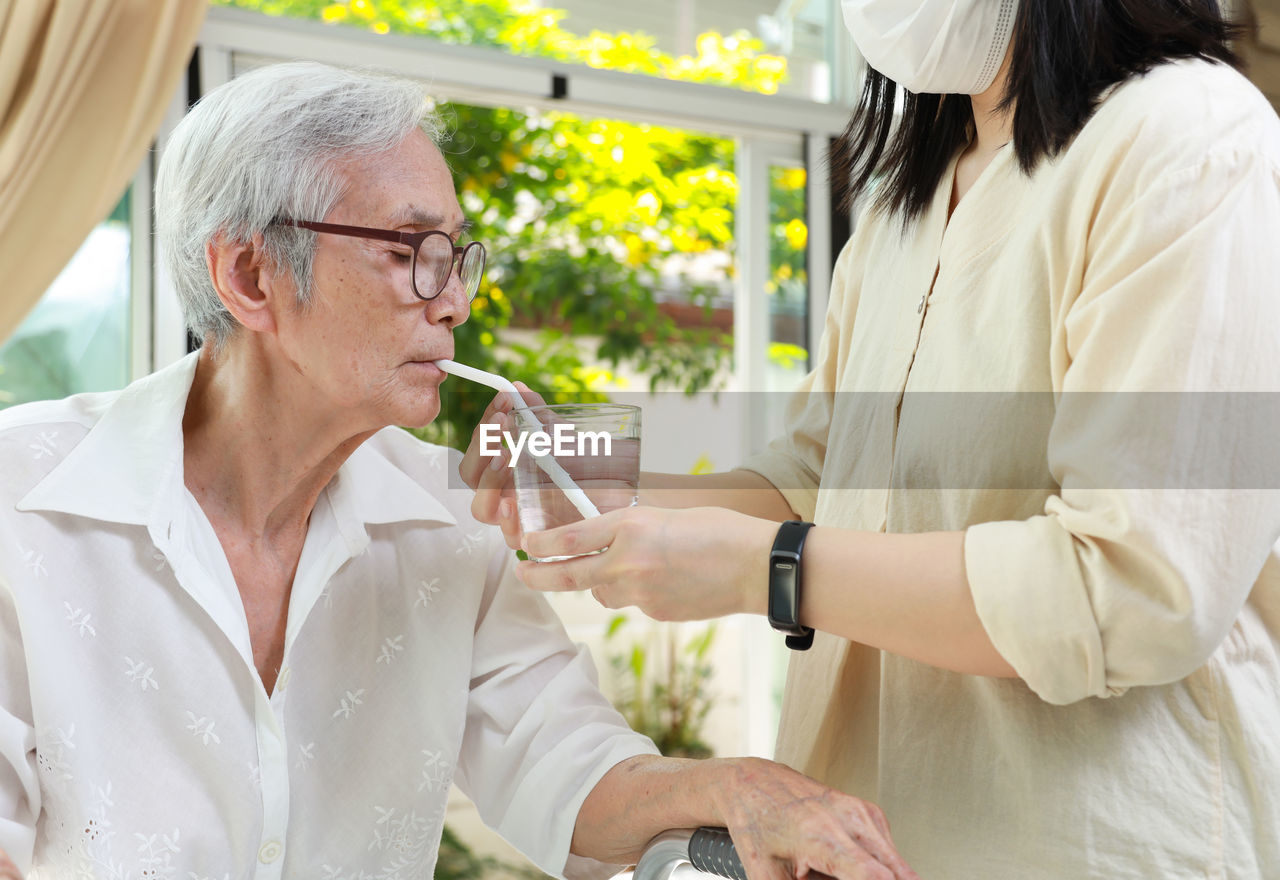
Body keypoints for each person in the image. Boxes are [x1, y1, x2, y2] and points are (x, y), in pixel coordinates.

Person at [0, 62, 920, 880]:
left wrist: (744, 788)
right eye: (411, 254)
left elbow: (575, 775)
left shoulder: (454, 524)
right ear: (249, 276)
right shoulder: (20, 498)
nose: (457, 301)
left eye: (458, 256)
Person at [464, 1, 1280, 877]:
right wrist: (590, 474)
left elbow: (1139, 585)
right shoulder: (906, 201)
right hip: (864, 840)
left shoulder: (1187, 137)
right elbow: (821, 474)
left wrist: (766, 569)